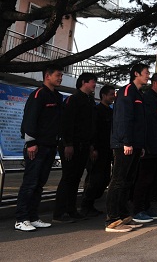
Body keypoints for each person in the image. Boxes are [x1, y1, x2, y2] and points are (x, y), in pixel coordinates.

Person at [15, 64, 64, 232]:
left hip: (50, 146)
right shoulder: (38, 95)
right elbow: (29, 119)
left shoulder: (57, 96)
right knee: (30, 183)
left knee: (39, 184)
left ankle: (33, 217)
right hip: (36, 147)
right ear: (47, 76)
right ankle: (21, 219)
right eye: (58, 75)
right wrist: (31, 143)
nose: (60, 78)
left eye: (61, 75)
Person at [104, 63, 149, 233]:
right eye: (146, 73)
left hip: (134, 144)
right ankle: (112, 220)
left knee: (128, 181)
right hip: (124, 144)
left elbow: (139, 122)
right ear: (136, 74)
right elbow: (123, 119)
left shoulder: (138, 93)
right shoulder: (127, 91)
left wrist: (139, 145)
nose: (148, 75)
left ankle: (123, 217)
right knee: (118, 181)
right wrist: (126, 142)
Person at [53, 72, 97, 223]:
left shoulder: (90, 100)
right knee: (68, 177)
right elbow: (66, 123)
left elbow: (90, 125)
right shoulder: (73, 99)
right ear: (84, 82)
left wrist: (91, 145)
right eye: (92, 81)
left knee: (76, 178)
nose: (94, 85)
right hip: (72, 145)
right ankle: (59, 212)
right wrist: (68, 144)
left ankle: (71, 209)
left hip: (84, 145)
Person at [131, 72, 157, 223]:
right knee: (144, 180)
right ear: (154, 83)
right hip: (150, 148)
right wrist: (148, 146)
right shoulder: (148, 99)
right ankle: (138, 210)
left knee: (153, 180)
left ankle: (147, 208)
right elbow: (149, 125)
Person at [80, 85, 116, 217]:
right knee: (94, 178)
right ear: (103, 95)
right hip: (97, 149)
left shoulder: (111, 112)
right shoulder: (96, 111)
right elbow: (93, 130)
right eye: (111, 94)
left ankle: (91, 203)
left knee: (105, 178)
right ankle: (86, 205)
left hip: (107, 149)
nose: (113, 97)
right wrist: (93, 147)